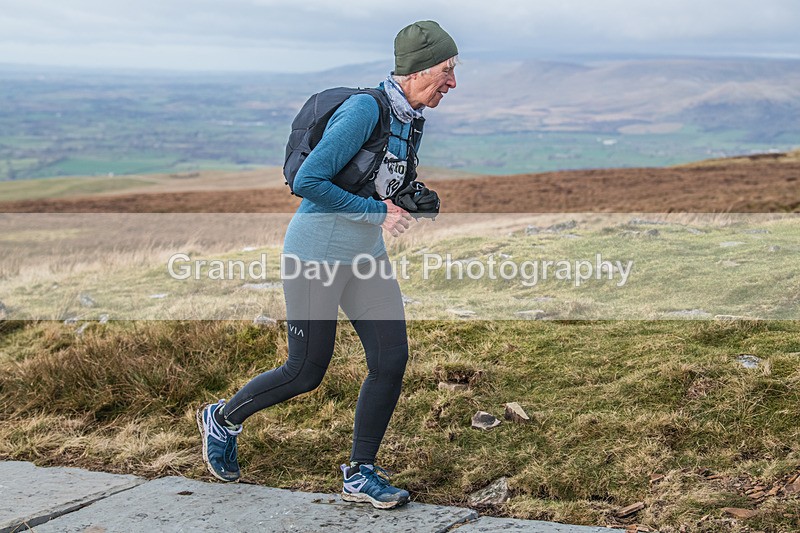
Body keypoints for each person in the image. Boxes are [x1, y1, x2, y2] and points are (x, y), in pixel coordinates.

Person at [197, 20, 458, 510]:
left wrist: (407, 199)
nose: (453, 82)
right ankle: (222, 419)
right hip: (316, 251)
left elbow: (372, 180)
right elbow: (310, 180)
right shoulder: (366, 109)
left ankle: (361, 472)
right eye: (446, 70)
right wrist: (378, 213)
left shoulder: (409, 121)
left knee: (390, 360)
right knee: (305, 371)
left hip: (365, 256)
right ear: (419, 69)